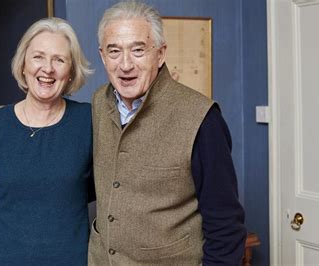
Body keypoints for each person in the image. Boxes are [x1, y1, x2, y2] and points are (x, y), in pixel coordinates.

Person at [88, 1, 247, 265]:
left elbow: (226, 227)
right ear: (102, 56)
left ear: (160, 54)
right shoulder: (96, 104)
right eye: (114, 51)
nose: (125, 64)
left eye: (138, 50)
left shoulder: (202, 118)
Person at [0, 17, 94, 265]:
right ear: (23, 65)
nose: (48, 68)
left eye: (59, 59)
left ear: (71, 71)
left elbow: (108, 193)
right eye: (38, 57)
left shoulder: (89, 121)